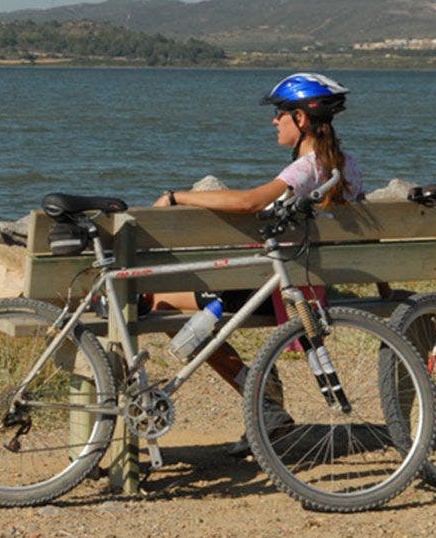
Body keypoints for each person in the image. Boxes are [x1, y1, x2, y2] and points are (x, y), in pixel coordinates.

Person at [149, 72, 364, 455]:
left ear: (301, 119)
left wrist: (177, 196)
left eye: (280, 113)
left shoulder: (305, 170)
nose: (274, 121)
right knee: (193, 298)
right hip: (313, 284)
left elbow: (247, 202)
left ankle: (264, 400)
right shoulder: (348, 165)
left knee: (157, 304)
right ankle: (265, 397)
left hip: (281, 291)